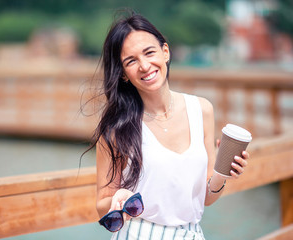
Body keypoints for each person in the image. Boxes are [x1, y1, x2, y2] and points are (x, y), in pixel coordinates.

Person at [89, 13, 250, 240]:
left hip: (191, 234)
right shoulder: (117, 129)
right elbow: (101, 204)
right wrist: (120, 199)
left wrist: (223, 173)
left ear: (165, 52)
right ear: (124, 74)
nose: (145, 66)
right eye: (131, 61)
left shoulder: (201, 110)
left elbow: (205, 198)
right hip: (139, 234)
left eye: (149, 52)